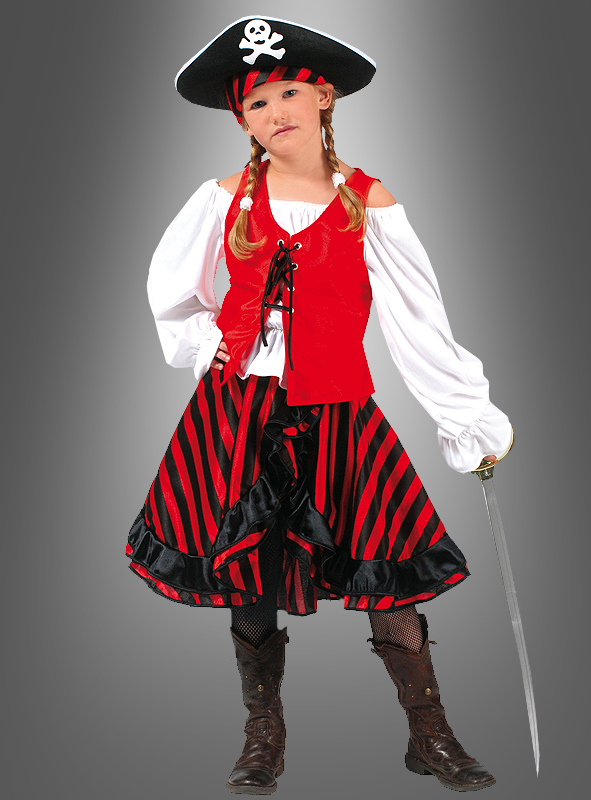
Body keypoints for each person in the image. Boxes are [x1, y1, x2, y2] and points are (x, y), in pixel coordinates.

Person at [126, 16, 513, 795]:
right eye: (257, 101)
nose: (276, 111)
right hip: (238, 414)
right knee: (248, 570)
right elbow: (171, 293)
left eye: (289, 93)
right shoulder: (223, 198)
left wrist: (465, 420)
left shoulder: (366, 201)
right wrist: (211, 344)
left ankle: (429, 733)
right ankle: (261, 736)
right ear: (241, 119)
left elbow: (418, 323)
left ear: (324, 97)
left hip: (337, 409)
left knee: (386, 568)